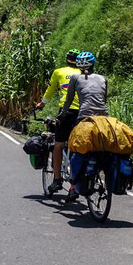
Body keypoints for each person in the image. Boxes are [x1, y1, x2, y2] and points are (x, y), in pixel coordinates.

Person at [58, 51, 108, 201]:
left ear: (78, 66)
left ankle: (73, 186)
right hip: (104, 118)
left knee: (74, 146)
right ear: (93, 64)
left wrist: (61, 116)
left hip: (84, 118)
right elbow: (103, 100)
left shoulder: (75, 77)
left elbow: (69, 100)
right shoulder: (103, 78)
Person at [35, 48, 81, 195]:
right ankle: (75, 186)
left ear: (67, 60)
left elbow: (50, 91)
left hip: (66, 112)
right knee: (77, 146)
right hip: (83, 112)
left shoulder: (59, 72)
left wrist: (41, 104)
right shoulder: (84, 74)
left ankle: (57, 179)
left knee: (58, 145)